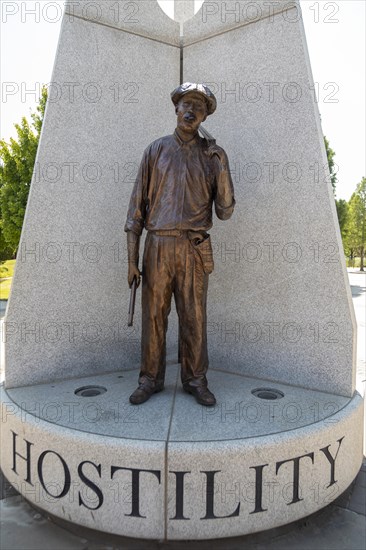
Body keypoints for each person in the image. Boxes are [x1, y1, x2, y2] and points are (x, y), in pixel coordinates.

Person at [125, 83, 235, 406]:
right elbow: (135, 212)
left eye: (198, 108)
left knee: (194, 317)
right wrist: (132, 260)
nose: (190, 111)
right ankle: (149, 378)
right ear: (176, 108)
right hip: (157, 245)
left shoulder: (212, 155)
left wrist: (223, 166)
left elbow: (225, 211)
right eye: (186, 104)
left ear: (204, 116)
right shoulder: (155, 151)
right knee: (153, 315)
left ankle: (196, 379)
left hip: (194, 248)